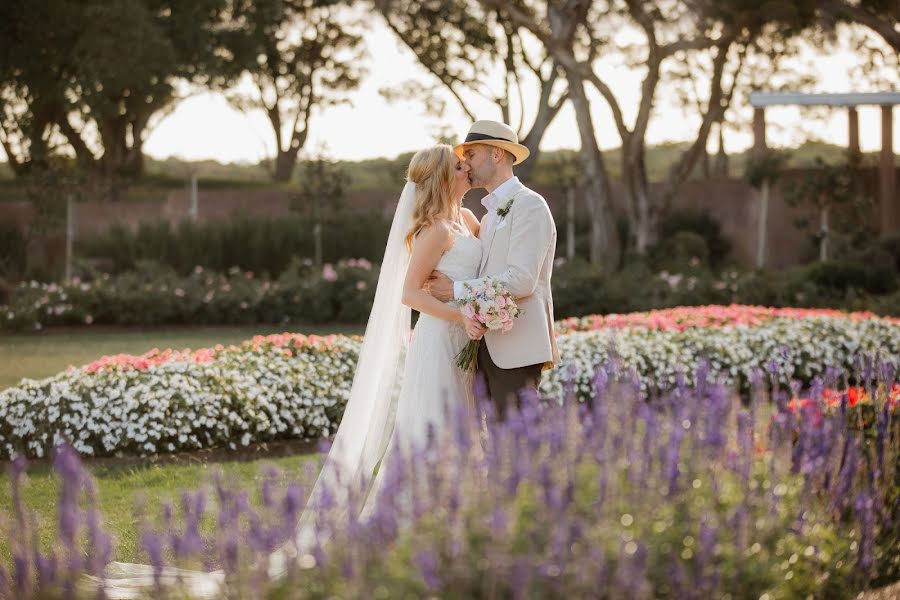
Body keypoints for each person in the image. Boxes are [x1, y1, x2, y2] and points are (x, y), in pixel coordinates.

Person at [427, 120, 560, 420]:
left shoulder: (530, 206)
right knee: (494, 450)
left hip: (517, 349)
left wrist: (455, 290)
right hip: (484, 347)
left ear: (497, 154)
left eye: (472, 155)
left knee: (517, 447)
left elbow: (522, 280)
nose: (466, 164)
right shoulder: (487, 216)